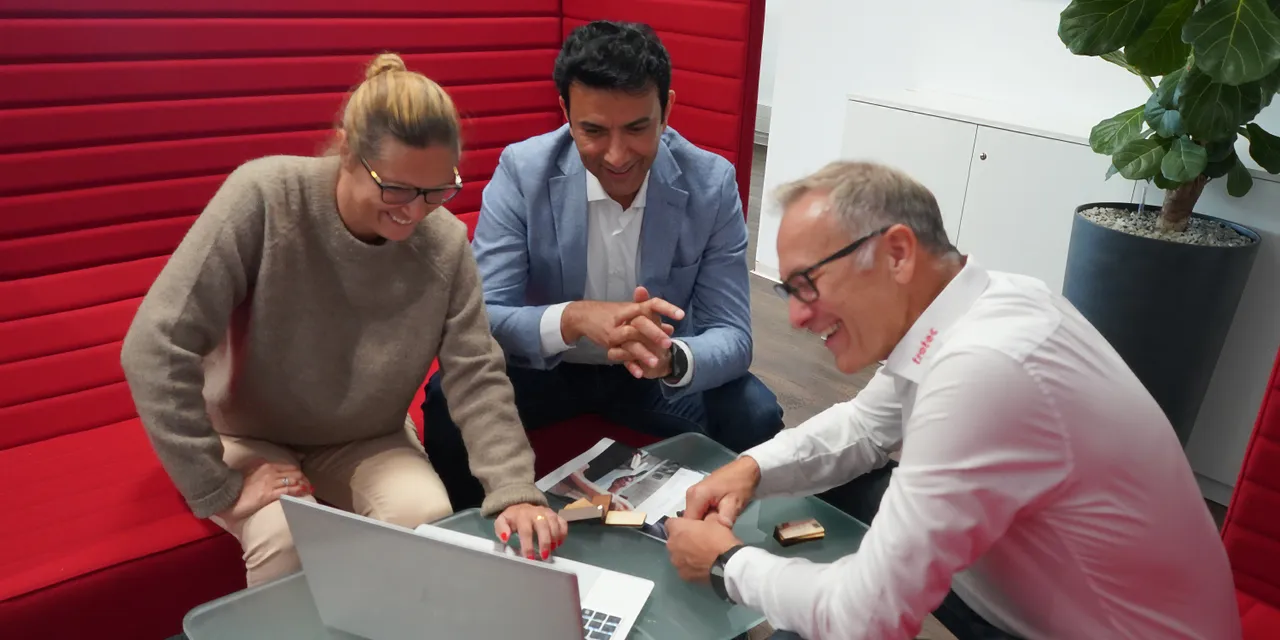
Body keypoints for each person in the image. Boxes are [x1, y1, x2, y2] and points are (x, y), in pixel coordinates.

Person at [663, 161, 1241, 639]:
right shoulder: (988, 300)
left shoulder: (985, 370)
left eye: (806, 285)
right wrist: (750, 468)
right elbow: (868, 428)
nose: (793, 315)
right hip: (1068, 600)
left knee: (824, 610)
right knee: (856, 492)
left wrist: (726, 563)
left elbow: (866, 620)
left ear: (896, 254)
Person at [120, 53, 566, 587]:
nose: (414, 212)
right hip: (246, 431)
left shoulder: (444, 242)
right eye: (396, 188)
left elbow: (477, 374)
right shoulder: (264, 197)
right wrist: (217, 485)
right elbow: (156, 345)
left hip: (365, 435)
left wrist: (514, 489)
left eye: (436, 190)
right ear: (349, 153)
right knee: (286, 540)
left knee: (425, 518)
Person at [422, 20, 785, 509]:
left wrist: (672, 358)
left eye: (638, 128)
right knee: (449, 402)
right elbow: (485, 314)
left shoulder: (710, 183)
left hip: (654, 375)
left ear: (667, 109)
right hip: (546, 369)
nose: (617, 155)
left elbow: (733, 336)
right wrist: (571, 318)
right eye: (593, 130)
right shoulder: (523, 171)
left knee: (756, 414)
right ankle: (475, 544)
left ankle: (723, 550)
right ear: (565, 115)